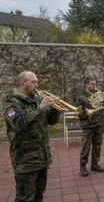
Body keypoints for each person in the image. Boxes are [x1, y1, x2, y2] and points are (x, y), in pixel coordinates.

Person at [3, 71, 60, 202]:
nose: (37, 85)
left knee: (39, 194)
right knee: (24, 198)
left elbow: (50, 121)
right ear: (23, 84)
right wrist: (40, 109)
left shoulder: (37, 99)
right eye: (34, 82)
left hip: (41, 157)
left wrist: (55, 109)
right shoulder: (11, 103)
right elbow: (19, 124)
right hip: (25, 161)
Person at [78, 77, 104, 176]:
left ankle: (95, 163)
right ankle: (83, 166)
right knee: (86, 147)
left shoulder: (99, 94)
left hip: (99, 124)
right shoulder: (81, 97)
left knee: (97, 145)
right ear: (86, 85)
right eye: (92, 84)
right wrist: (88, 113)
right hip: (88, 125)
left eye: (95, 84)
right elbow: (79, 113)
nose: (94, 85)